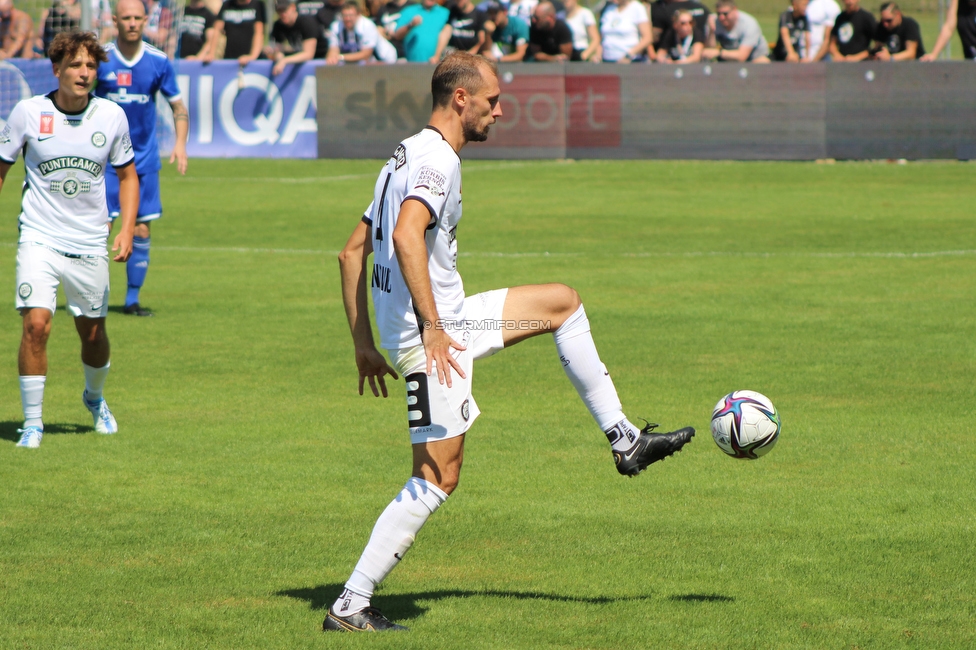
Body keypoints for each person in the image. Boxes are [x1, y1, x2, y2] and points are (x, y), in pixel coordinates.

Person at [326, 51, 695, 633]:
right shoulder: (437, 161)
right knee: (436, 478)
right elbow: (402, 235)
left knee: (563, 303)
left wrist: (361, 343)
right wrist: (428, 330)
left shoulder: (403, 154)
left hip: (442, 322)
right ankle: (350, 605)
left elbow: (351, 251)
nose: (502, 110)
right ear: (461, 99)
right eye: (493, 100)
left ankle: (624, 440)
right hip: (434, 336)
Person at [0, 31, 137, 449]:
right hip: (39, 237)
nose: (84, 73)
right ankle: (33, 423)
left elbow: (128, 176)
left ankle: (94, 399)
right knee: (36, 325)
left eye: (91, 66)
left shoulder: (111, 116)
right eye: (75, 65)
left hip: (90, 242)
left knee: (92, 334)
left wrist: (127, 228)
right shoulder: (27, 113)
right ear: (56, 69)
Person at [95, 0, 188, 317]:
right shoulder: (100, 58)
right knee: (100, 227)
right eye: (126, 18)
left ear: (146, 20)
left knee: (142, 230)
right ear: (115, 20)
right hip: (104, 163)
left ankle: (132, 300)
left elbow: (179, 108)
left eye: (138, 18)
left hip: (144, 161)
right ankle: (93, 296)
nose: (133, 23)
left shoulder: (158, 61)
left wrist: (181, 144)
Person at [326, 0, 398, 64]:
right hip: (360, 63)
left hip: (384, 61)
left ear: (358, 15)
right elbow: (333, 48)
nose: (347, 19)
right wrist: (332, 58)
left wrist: (340, 57)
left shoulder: (367, 26)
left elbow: (366, 54)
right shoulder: (336, 26)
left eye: (350, 15)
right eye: (345, 15)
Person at [702, 0, 769, 62]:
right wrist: (711, 31)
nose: (721, 18)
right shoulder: (714, 21)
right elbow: (710, 49)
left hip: (753, 59)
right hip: (728, 58)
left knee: (763, 61)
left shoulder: (748, 24)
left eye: (725, 14)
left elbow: (742, 56)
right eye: (719, 14)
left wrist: (719, 52)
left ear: (734, 9)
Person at [266, 0, 321, 74]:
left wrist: (284, 61)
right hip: (301, 61)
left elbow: (308, 54)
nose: (283, 14)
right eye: (279, 11)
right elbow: (277, 49)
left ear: (293, 8)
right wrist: (278, 56)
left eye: (285, 10)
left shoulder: (306, 22)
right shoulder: (278, 26)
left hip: (321, 60)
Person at [203, 0, 266, 64]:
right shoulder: (227, 5)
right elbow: (217, 30)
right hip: (229, 59)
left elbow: (259, 33)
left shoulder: (257, 5)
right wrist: (211, 54)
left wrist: (252, 56)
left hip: (250, 62)